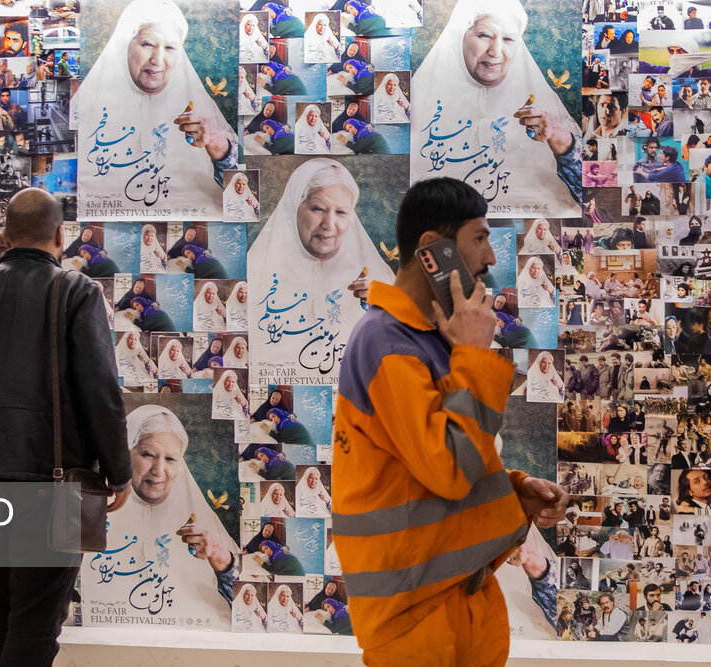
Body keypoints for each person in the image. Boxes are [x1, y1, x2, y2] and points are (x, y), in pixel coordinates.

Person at [333, 177, 567, 666]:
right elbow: (448, 469)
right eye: (479, 238)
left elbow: (428, 470)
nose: (490, 258)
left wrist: (512, 491)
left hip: (457, 600)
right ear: (431, 251)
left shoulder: (429, 340)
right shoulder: (383, 340)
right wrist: (472, 354)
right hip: (413, 618)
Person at [0, 189, 132, 666]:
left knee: (4, 607)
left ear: (5, 235)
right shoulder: (75, 290)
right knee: (37, 619)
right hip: (48, 483)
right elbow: (99, 390)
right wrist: (119, 471)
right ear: (61, 235)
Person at [411, 0, 582, 216]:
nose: (495, 51)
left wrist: (563, 141)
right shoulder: (417, 102)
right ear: (459, 36)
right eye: (484, 35)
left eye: (509, 39)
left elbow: (593, 199)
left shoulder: (544, 106)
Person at [74, 0, 237, 220]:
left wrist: (220, 148)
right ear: (125, 45)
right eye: (148, 44)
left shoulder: (199, 108)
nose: (157, 60)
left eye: (170, 47)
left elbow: (244, 194)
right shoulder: (86, 106)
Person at [83, 404, 238, 625]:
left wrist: (222, 561)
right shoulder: (90, 512)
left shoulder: (201, 520)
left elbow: (249, 607)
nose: (158, 470)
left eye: (171, 459)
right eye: (148, 454)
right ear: (126, 454)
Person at [247, 158, 392, 382]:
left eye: (342, 212)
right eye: (318, 208)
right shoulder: (251, 277)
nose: (328, 224)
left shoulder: (381, 284)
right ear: (293, 207)